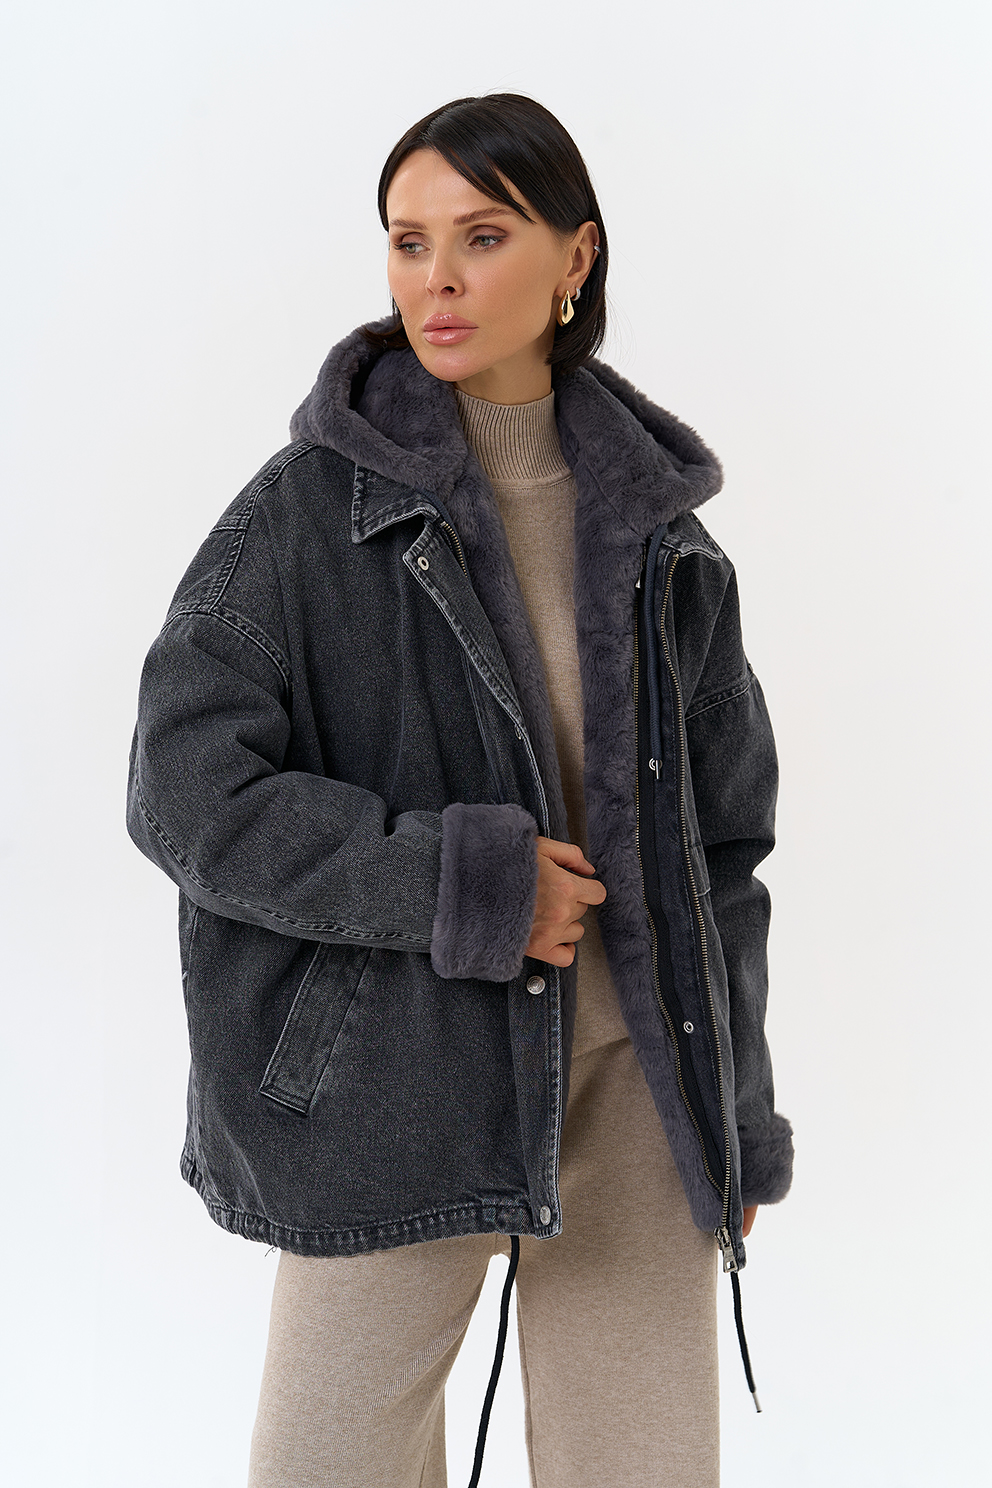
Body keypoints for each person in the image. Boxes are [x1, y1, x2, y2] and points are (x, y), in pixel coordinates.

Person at [127, 93, 794, 1488]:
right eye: (408, 240)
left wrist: (734, 1110)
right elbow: (184, 790)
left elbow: (726, 846)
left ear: (575, 260)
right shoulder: (309, 513)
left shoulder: (664, 539)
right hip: (394, 1083)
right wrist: (455, 884)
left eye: (482, 237)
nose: (435, 278)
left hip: (634, 1091)